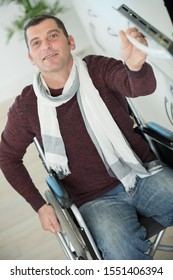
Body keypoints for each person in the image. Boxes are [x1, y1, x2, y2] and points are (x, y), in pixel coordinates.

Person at [0, 14, 173, 260]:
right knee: (121, 254)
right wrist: (39, 205)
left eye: (52, 36)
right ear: (31, 57)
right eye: (36, 43)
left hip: (142, 173)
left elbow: (140, 87)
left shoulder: (98, 68)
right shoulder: (26, 107)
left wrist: (135, 68)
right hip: (95, 201)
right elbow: (7, 157)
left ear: (70, 41)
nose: (46, 46)